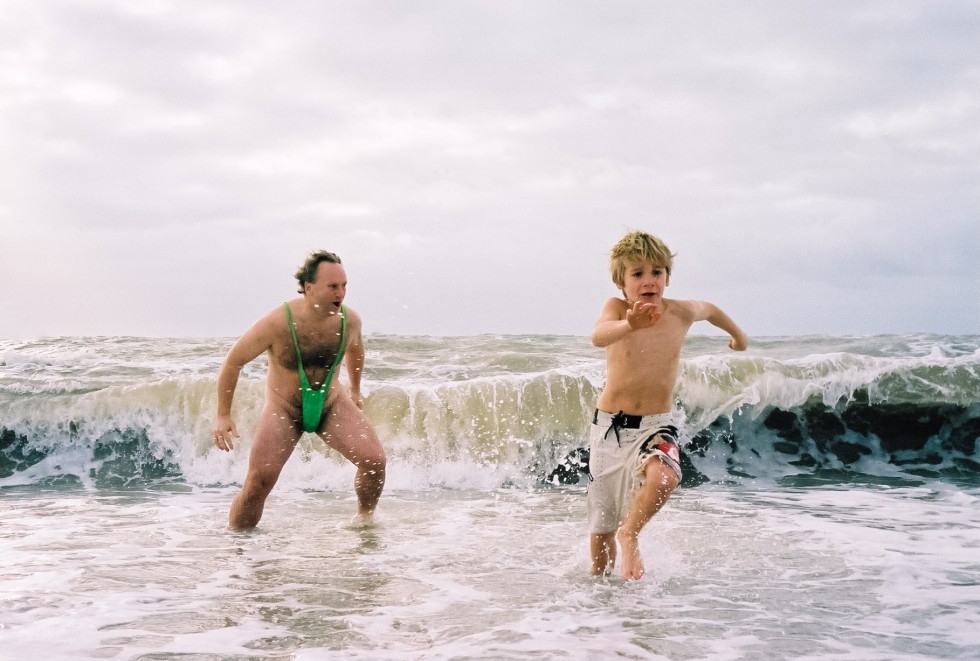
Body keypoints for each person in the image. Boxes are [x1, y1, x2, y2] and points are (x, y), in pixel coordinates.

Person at [588, 231, 748, 580]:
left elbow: (712, 310)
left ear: (668, 278)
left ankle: (630, 533)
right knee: (601, 529)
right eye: (638, 274)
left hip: (656, 424)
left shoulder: (680, 312)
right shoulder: (617, 310)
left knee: (664, 477)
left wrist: (738, 336)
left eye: (657, 272)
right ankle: (601, 605)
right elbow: (598, 336)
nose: (649, 281)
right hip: (609, 430)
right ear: (620, 282)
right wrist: (630, 323)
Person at [213, 250, 386, 530]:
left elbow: (356, 349)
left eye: (344, 286)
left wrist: (355, 390)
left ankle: (364, 525)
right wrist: (223, 414)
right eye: (332, 286)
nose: (340, 293)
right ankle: (238, 542)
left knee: (375, 462)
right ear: (309, 288)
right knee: (259, 482)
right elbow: (234, 362)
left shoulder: (349, 320)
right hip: (284, 408)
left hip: (331, 403)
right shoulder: (278, 323)